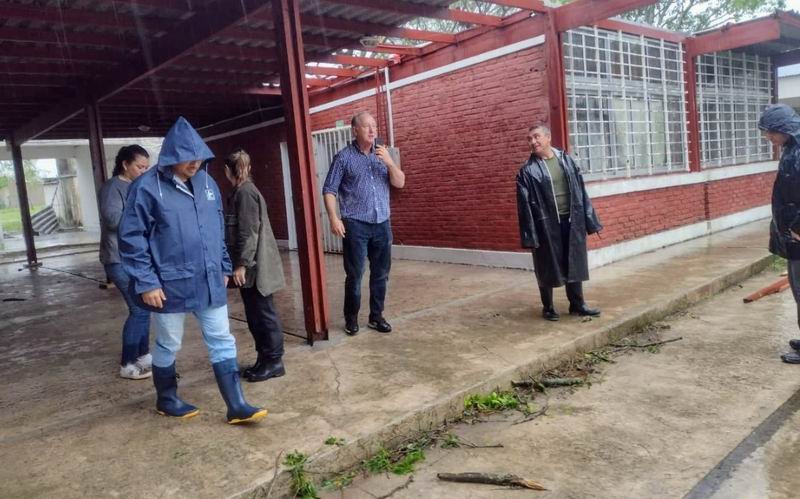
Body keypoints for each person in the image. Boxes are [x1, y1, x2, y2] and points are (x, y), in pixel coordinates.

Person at [119, 117, 266, 424]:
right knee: (169, 342)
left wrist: (223, 265)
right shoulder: (147, 188)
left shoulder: (207, 183)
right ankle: (167, 398)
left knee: (222, 338)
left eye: (199, 156)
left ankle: (237, 405)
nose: (195, 163)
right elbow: (132, 238)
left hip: (208, 278)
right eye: (188, 157)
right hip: (167, 283)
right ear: (171, 156)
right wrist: (146, 282)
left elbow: (216, 229)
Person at [322, 111, 405, 336]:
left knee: (381, 274)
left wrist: (389, 162)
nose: (372, 130)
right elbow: (329, 189)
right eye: (367, 126)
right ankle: (351, 319)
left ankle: (376, 317)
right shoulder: (344, 157)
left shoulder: (383, 154)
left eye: (374, 126)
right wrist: (333, 218)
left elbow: (400, 182)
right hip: (355, 225)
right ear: (355, 130)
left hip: (382, 223)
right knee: (356, 275)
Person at [516, 124, 602, 321]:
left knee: (574, 261)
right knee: (546, 264)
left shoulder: (566, 160)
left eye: (536, 137)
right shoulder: (527, 171)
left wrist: (589, 219)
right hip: (545, 224)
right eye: (529, 139)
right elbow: (523, 207)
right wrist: (530, 235)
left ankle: (577, 304)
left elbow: (581, 191)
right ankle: (548, 307)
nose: (533, 142)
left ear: (548, 138)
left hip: (571, 220)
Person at [223, 148, 287, 382]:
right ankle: (264, 358)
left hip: (254, 267)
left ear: (227, 171)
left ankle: (274, 362)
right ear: (249, 168)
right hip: (251, 265)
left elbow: (249, 232)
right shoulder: (242, 191)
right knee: (255, 314)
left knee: (263, 314)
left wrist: (241, 264)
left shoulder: (245, 193)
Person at [99, 144, 152, 380]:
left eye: (146, 167)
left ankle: (143, 355)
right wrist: (144, 220)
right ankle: (128, 363)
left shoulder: (135, 186)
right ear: (125, 164)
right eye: (140, 167)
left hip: (135, 258)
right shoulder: (113, 187)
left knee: (145, 306)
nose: (143, 171)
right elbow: (112, 220)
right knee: (138, 308)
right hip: (118, 259)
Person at [759, 104, 800, 364]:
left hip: (798, 233)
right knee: (797, 288)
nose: (768, 137)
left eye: (771, 132)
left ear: (785, 129)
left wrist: (798, 228)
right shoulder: (791, 149)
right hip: (792, 233)